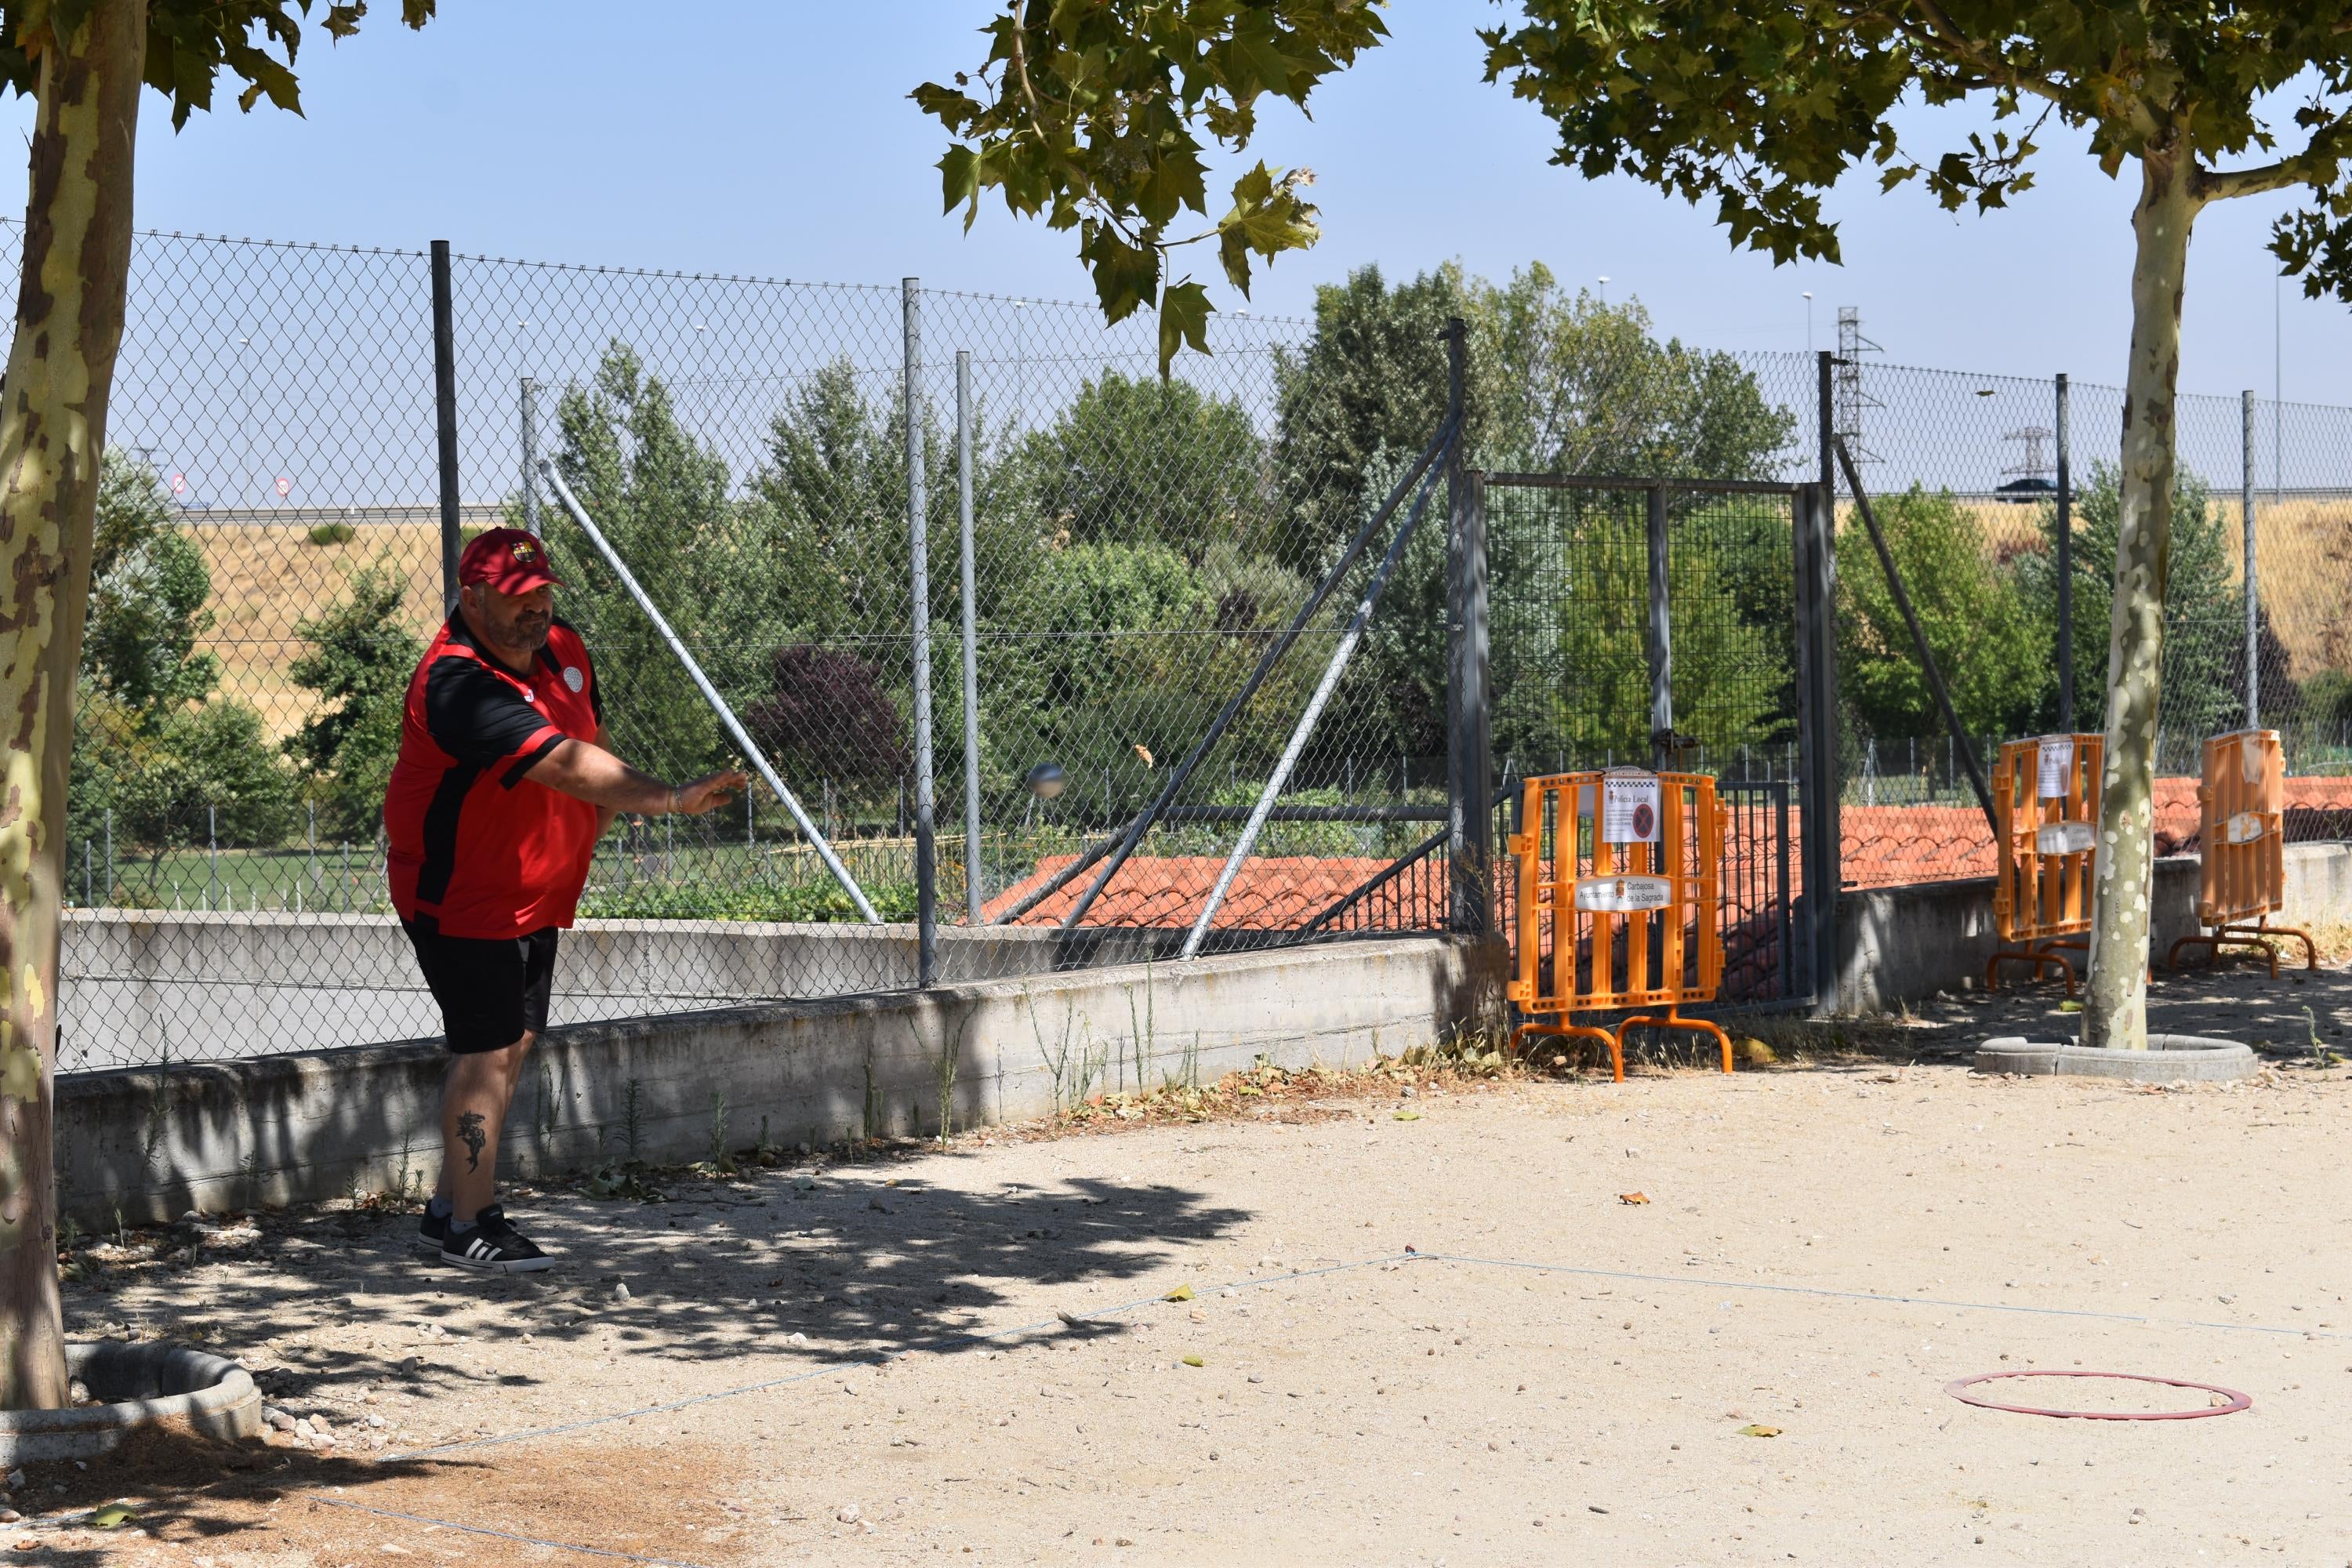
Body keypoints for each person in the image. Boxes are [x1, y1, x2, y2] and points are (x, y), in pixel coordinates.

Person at [383, 528, 744, 1272]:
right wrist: (671, 799)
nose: (535, 610)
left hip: (536, 888)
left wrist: (581, 841)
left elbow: (595, 743)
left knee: (513, 1040)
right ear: (472, 596)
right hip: (461, 892)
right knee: (485, 1048)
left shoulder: (567, 650)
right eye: (517, 599)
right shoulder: (456, 684)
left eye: (543, 592)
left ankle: (449, 1210)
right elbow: (568, 765)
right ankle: (471, 1225)